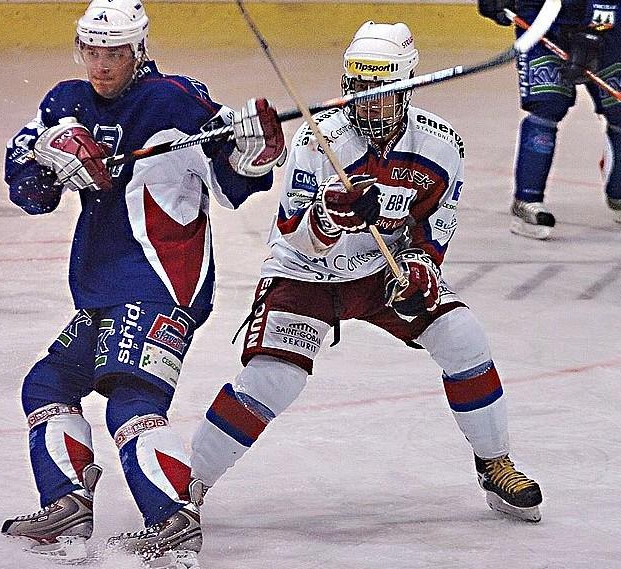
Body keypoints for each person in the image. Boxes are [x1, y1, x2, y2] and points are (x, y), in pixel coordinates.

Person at [188, 21, 544, 528]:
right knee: (273, 381)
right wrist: (330, 214)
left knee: (463, 337)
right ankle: (184, 489)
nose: (370, 106)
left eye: (384, 93)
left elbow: (437, 217)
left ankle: (494, 463)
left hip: (382, 271)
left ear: (407, 88)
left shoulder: (442, 144)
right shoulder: (318, 140)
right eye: (361, 91)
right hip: (305, 274)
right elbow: (294, 233)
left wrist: (421, 265)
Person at [0, 0, 286, 566]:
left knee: (131, 399)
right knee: (48, 385)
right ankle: (68, 502)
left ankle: (172, 519)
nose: (102, 65)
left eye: (116, 52)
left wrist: (257, 154)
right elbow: (26, 190)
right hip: (101, 285)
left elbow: (232, 182)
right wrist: (46, 158)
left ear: (139, 50)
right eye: (94, 51)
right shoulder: (67, 101)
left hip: (160, 282)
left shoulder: (173, 102)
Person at [479, 0, 621, 238]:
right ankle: (527, 199)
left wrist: (592, 32)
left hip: (610, 35)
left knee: (619, 112)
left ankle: (618, 191)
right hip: (544, 29)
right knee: (547, 106)